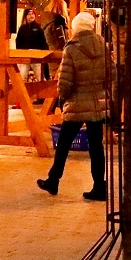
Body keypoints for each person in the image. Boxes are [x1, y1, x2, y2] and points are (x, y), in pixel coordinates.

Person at [37, 12, 109, 201]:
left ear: (76, 27)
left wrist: (63, 97)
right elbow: (112, 73)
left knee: (64, 144)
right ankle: (99, 187)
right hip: (97, 103)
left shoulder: (72, 47)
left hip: (77, 102)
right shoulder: (102, 44)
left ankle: (53, 180)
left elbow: (65, 80)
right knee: (96, 146)